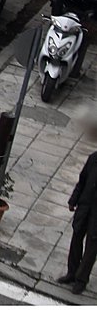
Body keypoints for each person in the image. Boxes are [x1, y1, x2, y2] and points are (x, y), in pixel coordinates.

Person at [58, 124, 97, 294]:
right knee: (76, 239)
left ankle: (81, 279)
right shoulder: (94, 158)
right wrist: (73, 200)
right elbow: (82, 181)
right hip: (85, 206)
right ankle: (72, 273)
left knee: (92, 247)